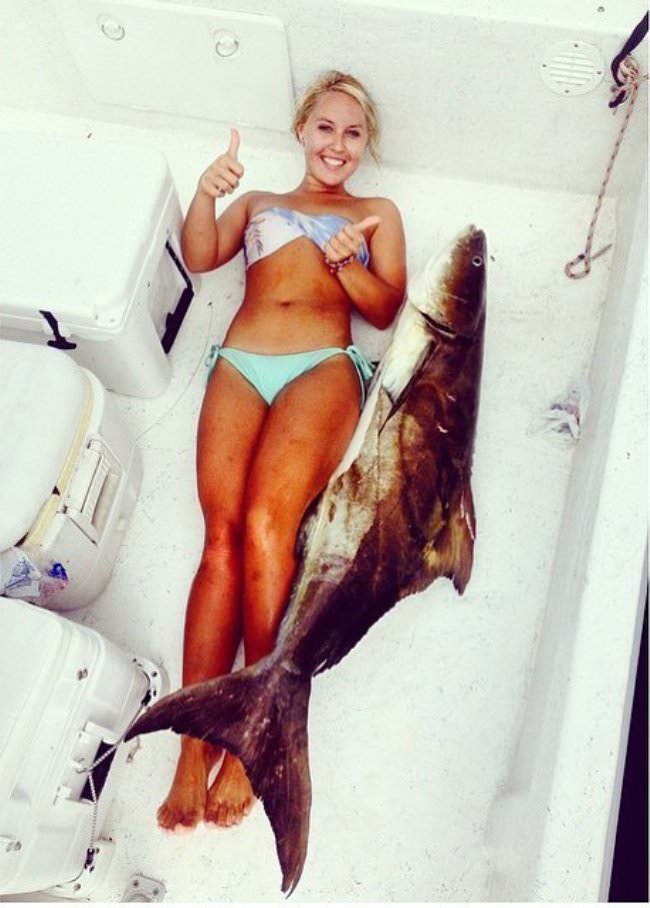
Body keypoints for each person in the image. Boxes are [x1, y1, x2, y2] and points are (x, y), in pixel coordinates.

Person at [158, 70, 407, 831]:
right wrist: (207, 193)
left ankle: (253, 729)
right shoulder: (259, 202)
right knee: (221, 538)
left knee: (270, 529)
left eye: (353, 133)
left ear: (365, 146)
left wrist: (347, 264)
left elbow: (386, 309)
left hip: (321, 368)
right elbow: (202, 254)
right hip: (241, 363)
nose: (338, 144)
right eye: (325, 127)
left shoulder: (374, 213)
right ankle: (193, 747)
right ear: (302, 131)